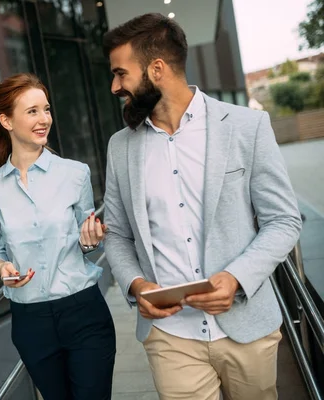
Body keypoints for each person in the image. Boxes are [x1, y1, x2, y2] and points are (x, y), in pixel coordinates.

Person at [102, 13, 302, 400]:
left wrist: (237, 277)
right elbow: (119, 235)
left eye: (121, 74)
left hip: (246, 328)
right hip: (170, 337)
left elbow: (283, 220)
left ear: (156, 69)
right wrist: (137, 284)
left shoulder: (247, 127)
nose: (115, 86)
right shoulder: (119, 147)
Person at [0, 73, 115, 400]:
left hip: (83, 312)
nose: (44, 119)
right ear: (6, 121)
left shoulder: (75, 173)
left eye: (46, 109)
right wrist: (2, 269)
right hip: (30, 321)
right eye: (32, 111)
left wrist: (91, 238)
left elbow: (86, 237)